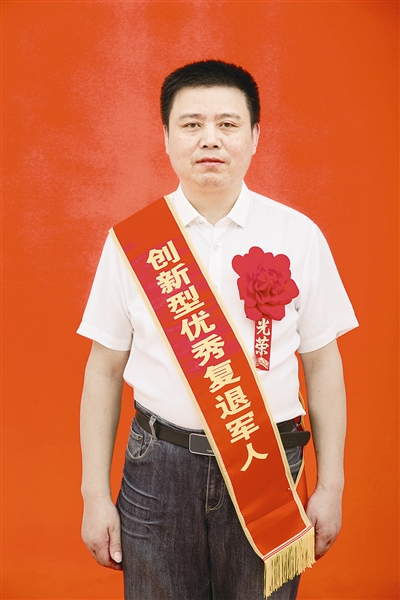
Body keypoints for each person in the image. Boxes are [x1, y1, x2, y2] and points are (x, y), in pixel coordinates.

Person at [78, 60, 358, 600]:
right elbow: (103, 369)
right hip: (158, 468)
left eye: (228, 124)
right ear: (166, 138)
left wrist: (331, 484)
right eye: (192, 124)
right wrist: (93, 494)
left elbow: (324, 364)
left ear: (255, 136)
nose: (210, 139)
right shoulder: (133, 242)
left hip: (269, 465)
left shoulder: (298, 235)